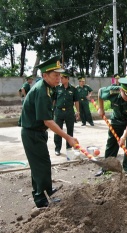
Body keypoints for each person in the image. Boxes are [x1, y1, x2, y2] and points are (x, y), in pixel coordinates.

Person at [21, 56, 79, 208]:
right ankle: (41, 200)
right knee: (41, 165)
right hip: (32, 133)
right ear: (44, 75)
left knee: (40, 164)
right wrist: (68, 137)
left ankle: (45, 191)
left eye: (60, 75)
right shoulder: (42, 91)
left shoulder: (48, 88)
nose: (59, 78)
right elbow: (47, 120)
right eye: (55, 75)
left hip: (37, 132)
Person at [95, 77, 127, 176]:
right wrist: (101, 109)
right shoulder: (112, 91)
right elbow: (100, 92)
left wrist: (124, 137)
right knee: (111, 143)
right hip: (116, 119)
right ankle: (107, 167)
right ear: (120, 90)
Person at [53, 71, 80, 156]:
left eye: (63, 78)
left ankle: (69, 148)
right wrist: (52, 110)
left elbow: (76, 101)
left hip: (69, 111)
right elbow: (54, 100)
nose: (61, 79)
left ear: (67, 79)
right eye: (60, 78)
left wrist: (78, 111)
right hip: (59, 111)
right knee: (57, 130)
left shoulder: (73, 89)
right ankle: (57, 148)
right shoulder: (57, 88)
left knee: (70, 130)